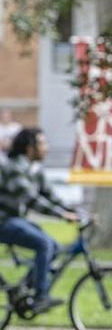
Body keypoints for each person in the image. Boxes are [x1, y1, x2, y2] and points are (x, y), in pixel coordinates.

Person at [0, 128, 80, 312]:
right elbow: (30, 199)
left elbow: (51, 196)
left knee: (54, 246)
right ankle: (40, 297)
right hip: (4, 222)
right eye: (42, 143)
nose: (46, 148)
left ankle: (22, 289)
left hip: (15, 221)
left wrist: (76, 211)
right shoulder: (13, 168)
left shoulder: (33, 170)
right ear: (30, 148)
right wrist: (61, 215)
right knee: (43, 244)